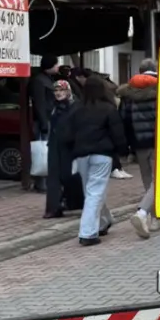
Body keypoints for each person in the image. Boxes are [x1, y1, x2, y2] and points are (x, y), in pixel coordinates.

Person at [56, 75, 129, 246]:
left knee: (91, 192)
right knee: (94, 193)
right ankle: (88, 233)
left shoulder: (76, 108)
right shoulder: (108, 108)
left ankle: (103, 221)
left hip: (81, 154)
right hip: (102, 154)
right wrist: (123, 151)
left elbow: (66, 134)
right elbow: (117, 133)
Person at [118, 58, 160, 238]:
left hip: (139, 143)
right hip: (158, 142)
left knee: (147, 179)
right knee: (159, 180)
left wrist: (129, 145)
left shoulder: (128, 92)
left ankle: (153, 216)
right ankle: (146, 214)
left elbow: (124, 120)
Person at [43, 79, 83, 219]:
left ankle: (73, 202)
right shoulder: (54, 107)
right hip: (55, 144)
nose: (58, 93)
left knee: (69, 175)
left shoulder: (76, 106)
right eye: (56, 90)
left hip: (70, 145)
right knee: (53, 176)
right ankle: (54, 207)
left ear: (68, 91)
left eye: (62, 90)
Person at [29, 55, 61, 192]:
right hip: (44, 120)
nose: (58, 67)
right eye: (56, 64)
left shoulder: (48, 79)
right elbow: (40, 103)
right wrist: (43, 122)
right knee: (42, 151)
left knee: (48, 151)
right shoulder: (39, 81)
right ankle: (41, 182)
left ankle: (47, 180)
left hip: (50, 119)